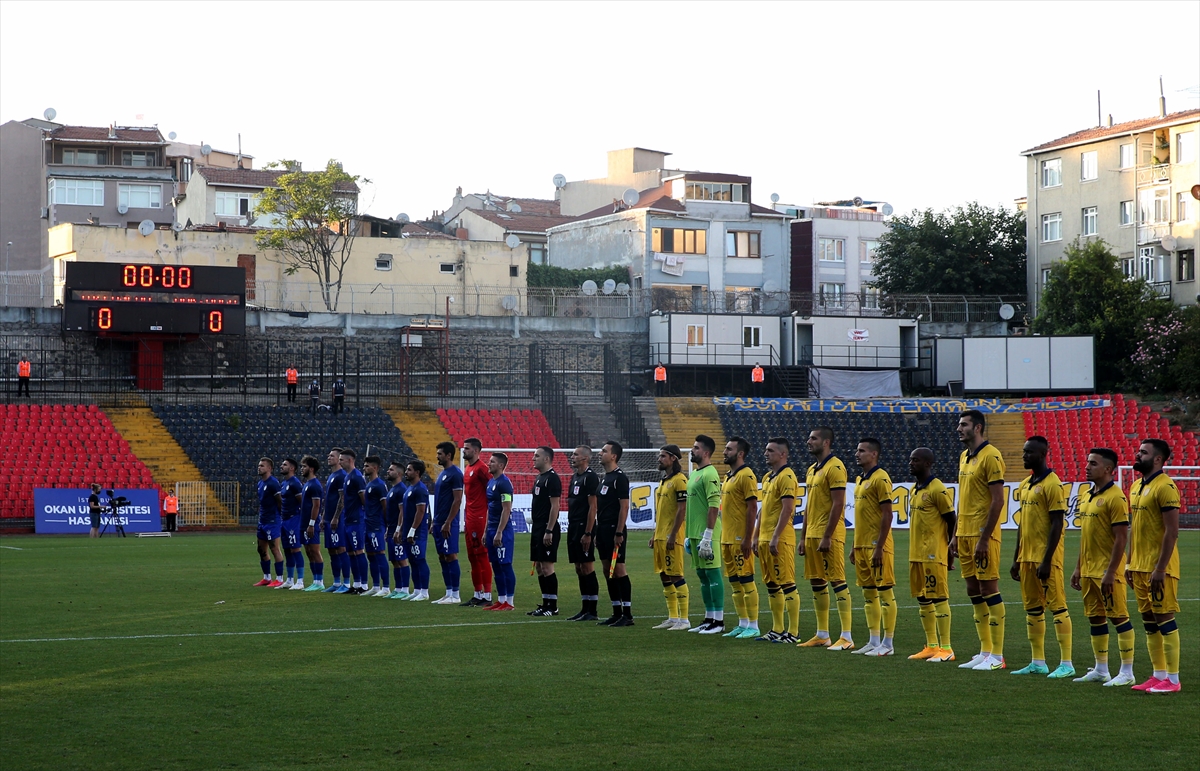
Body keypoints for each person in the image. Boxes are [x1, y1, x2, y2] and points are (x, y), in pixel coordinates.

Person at [1008, 436, 1073, 678]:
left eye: (1029, 452)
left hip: (1047, 559)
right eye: (1024, 452)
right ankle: (1038, 662)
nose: (1024, 456)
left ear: (1043, 454)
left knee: (1057, 608)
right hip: (1026, 558)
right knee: (1033, 610)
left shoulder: (1053, 483)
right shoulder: (1025, 484)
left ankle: (1066, 663)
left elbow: (1057, 523)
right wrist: (1016, 557)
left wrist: (1047, 560)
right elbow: (1021, 524)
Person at [1070, 448, 1134, 685]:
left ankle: (1127, 672)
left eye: (1093, 463)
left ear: (1108, 469)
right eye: (1087, 462)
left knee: (1119, 618)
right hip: (1088, 571)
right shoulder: (1087, 495)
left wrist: (1110, 572)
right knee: (1095, 619)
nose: (1087, 466)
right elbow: (1086, 536)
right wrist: (1078, 567)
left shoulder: (1116, 497)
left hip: (1108, 572)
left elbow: (1121, 538)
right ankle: (1101, 669)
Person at [1127, 438, 1183, 693]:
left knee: (1164, 618)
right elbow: (1134, 529)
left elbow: (1171, 532)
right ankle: (1157, 674)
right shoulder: (1136, 486)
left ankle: (1172, 679)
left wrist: (1160, 569)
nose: (1137, 455)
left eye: (1143, 452)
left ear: (1158, 459)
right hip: (1139, 567)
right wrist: (1129, 563)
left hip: (1160, 567)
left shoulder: (1166, 486)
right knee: (1149, 621)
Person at [955, 409, 1008, 671]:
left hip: (982, 536)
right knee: (973, 591)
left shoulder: (992, 456)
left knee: (989, 590)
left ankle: (997, 656)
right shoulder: (964, 457)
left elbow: (998, 500)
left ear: (977, 428)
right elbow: (963, 498)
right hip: (964, 534)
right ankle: (985, 651)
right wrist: (956, 534)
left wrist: (985, 538)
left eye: (964, 424)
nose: (959, 428)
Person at [798, 426, 853, 649]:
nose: (808, 441)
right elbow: (809, 505)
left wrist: (827, 536)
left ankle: (847, 637)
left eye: (813, 438)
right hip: (811, 534)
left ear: (826, 442)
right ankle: (822, 634)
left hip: (829, 535)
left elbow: (839, 504)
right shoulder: (812, 469)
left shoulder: (836, 467)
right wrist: (802, 536)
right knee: (817, 582)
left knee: (837, 581)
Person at [905, 448, 957, 663]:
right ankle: (931, 645)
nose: (910, 463)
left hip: (933, 552)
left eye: (915, 460)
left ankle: (946, 648)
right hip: (916, 552)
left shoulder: (937, 489)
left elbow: (951, 519)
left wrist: (950, 547)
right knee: (923, 598)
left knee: (938, 597)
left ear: (927, 463)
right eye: (910, 460)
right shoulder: (915, 489)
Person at [851, 438, 897, 657]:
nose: (856, 454)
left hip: (877, 546)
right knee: (868, 595)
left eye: (862, 451)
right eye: (857, 450)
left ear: (874, 454)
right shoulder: (860, 480)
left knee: (885, 593)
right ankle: (873, 640)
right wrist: (854, 545)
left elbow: (888, 514)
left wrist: (879, 547)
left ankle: (888, 644)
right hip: (861, 546)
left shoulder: (881, 478)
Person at [756, 438, 800, 643]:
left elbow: (788, 508)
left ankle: (793, 632)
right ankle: (777, 628)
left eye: (771, 450)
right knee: (772, 584)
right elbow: (763, 509)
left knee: (787, 583)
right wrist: (757, 535)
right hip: (765, 539)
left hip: (780, 539)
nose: (766, 453)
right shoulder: (767, 477)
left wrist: (775, 536)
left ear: (783, 454)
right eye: (766, 450)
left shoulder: (787, 476)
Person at [718, 437, 760, 639]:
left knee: (746, 581)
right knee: (735, 583)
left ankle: (754, 624)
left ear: (740, 453)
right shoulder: (728, 476)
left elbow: (753, 508)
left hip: (739, 538)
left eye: (729, 449)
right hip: (726, 538)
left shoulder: (747, 475)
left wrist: (747, 537)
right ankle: (742, 623)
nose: (725, 452)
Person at [687, 435, 725, 634]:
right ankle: (708, 618)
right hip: (695, 534)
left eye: (696, 448)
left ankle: (719, 622)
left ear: (706, 452)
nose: (692, 451)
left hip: (707, 534)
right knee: (702, 576)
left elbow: (713, 506)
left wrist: (708, 535)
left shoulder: (710, 474)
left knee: (712, 574)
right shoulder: (694, 474)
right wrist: (688, 535)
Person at [650, 444, 689, 631]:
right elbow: (661, 512)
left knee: (676, 575)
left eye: (663, 456)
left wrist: (673, 534)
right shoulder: (664, 481)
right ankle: (673, 617)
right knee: (665, 576)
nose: (659, 459)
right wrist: (654, 534)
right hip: (660, 536)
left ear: (673, 458)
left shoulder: (680, 480)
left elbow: (682, 510)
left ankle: (685, 619)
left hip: (672, 536)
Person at [595, 441, 633, 627]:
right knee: (606, 569)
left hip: (613, 530)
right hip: (601, 529)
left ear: (613, 456)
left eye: (604, 451)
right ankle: (616, 611)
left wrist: (619, 531)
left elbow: (624, 507)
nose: (600, 453)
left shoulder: (620, 478)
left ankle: (627, 614)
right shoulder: (604, 478)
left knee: (618, 570)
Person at [565, 445, 601, 621]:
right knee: (579, 567)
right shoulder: (575, 477)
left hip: (584, 527)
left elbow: (593, 507)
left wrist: (588, 532)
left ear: (585, 458)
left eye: (575, 454)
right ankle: (584, 607)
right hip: (573, 526)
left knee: (587, 566)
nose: (572, 457)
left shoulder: (591, 478)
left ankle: (592, 610)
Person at [528, 446, 563, 616]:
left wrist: (549, 530)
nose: (533, 458)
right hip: (537, 526)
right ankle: (545, 603)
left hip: (547, 527)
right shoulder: (539, 478)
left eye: (536, 456)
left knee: (548, 567)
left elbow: (555, 506)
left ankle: (553, 606)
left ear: (546, 459)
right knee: (540, 567)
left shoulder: (552, 479)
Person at [460, 438, 493, 606]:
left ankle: (487, 595)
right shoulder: (467, 468)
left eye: (466, 448)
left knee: (481, 555)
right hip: (469, 518)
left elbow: (494, 485)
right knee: (472, 556)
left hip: (480, 518)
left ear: (476, 450)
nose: (463, 451)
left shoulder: (482, 468)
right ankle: (477, 593)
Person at [432, 442, 464, 605]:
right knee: (442, 556)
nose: (437, 456)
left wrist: (448, 522)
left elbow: (457, 500)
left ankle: (456, 594)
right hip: (438, 522)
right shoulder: (443, 473)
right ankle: (448, 592)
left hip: (448, 523)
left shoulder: (455, 474)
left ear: (448, 455)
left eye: (440, 454)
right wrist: (434, 521)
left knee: (451, 555)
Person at [484, 452, 517, 611]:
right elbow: (490, 509)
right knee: (496, 565)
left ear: (501, 465)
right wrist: (486, 531)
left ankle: (509, 602)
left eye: (492, 462)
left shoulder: (505, 484)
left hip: (502, 531)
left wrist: (499, 532)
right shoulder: (491, 483)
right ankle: (501, 599)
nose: (488, 464)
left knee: (505, 565)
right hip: (490, 530)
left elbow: (506, 509)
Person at [336, 448, 368, 594]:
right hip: (348, 520)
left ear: (349, 460)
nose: (339, 461)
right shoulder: (348, 477)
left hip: (356, 520)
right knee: (350, 552)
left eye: (341, 459)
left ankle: (364, 584)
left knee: (358, 551)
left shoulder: (357, 476)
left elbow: (364, 499)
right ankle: (356, 584)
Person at [253, 457, 286, 587]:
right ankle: (267, 577)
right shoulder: (260, 483)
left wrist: (280, 518)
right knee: (261, 549)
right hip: (263, 521)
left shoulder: (273, 483)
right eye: (259, 465)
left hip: (273, 521)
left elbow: (280, 502)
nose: (259, 467)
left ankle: (279, 578)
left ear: (269, 468)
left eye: (262, 465)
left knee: (274, 548)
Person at [322, 448, 351, 594]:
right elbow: (329, 499)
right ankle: (336, 582)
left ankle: (346, 582)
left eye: (332, 456)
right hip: (328, 519)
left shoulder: (341, 476)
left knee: (341, 549)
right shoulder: (332, 475)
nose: (329, 457)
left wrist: (336, 517)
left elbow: (342, 498)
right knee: (332, 550)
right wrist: (324, 517)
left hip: (337, 519)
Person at [403, 460, 432, 601]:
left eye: (409, 470)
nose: (406, 472)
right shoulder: (409, 488)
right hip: (408, 530)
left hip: (417, 533)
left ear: (417, 472)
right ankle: (417, 589)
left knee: (420, 560)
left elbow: (421, 511)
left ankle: (424, 592)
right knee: (413, 561)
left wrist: (412, 530)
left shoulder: (420, 489)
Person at [362, 456, 391, 596]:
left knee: (379, 554)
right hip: (368, 525)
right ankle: (375, 586)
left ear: (375, 468)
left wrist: (385, 524)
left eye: (367, 466)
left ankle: (385, 587)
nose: (364, 468)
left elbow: (385, 507)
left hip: (377, 525)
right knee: (371, 556)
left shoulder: (379, 485)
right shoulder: (369, 484)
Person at [277, 458, 306, 590]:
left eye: (285, 465)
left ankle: (300, 580)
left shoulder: (295, 483)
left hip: (294, 519)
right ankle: (289, 579)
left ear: (292, 468)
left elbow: (302, 502)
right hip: (284, 520)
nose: (281, 466)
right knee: (287, 549)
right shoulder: (284, 483)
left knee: (295, 548)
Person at [299, 456, 326, 591]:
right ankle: (315, 580)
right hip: (304, 523)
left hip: (311, 524)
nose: (302, 469)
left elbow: (316, 506)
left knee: (315, 551)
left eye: (304, 466)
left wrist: (311, 524)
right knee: (309, 551)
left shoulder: (315, 485)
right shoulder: (307, 484)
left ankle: (319, 581)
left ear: (311, 468)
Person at [385, 461, 411, 599]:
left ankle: (405, 589)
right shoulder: (392, 489)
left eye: (391, 470)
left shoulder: (401, 489)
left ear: (399, 474)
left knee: (401, 559)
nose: (388, 471)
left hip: (398, 530)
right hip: (391, 529)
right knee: (394, 560)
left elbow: (402, 511)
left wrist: (399, 529)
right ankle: (398, 587)